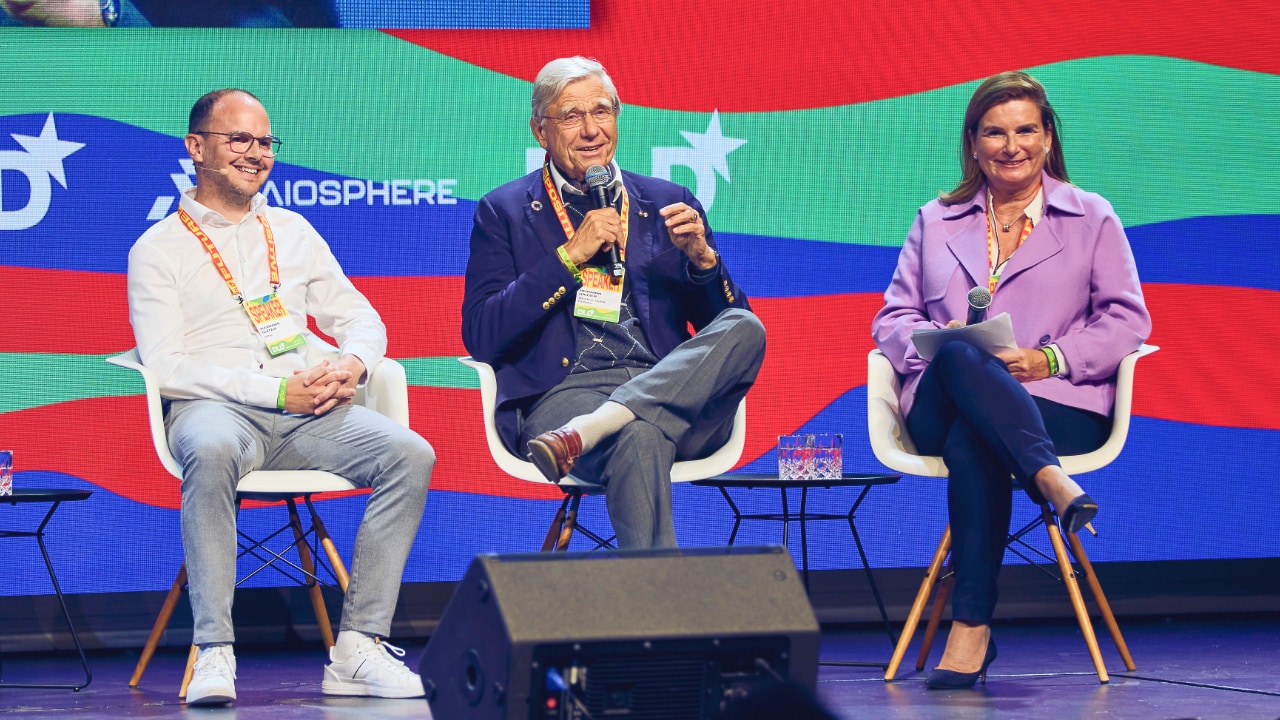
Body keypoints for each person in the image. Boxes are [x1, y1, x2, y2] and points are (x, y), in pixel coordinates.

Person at [127, 89, 433, 705]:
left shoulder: (291, 231)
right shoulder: (157, 249)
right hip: (213, 411)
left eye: (265, 142)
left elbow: (362, 319)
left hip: (306, 412)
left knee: (410, 454)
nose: (256, 154)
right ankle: (215, 648)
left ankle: (359, 648)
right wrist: (275, 390)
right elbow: (167, 366)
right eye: (239, 139)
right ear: (197, 148)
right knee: (211, 449)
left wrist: (351, 362)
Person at [871, 70, 1150, 689]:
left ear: (1048, 138)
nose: (1011, 145)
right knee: (964, 359)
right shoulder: (937, 219)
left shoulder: (1091, 217)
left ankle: (970, 629)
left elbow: (1127, 320)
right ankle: (1050, 479)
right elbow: (893, 316)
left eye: (1026, 129)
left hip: (1055, 399)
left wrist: (1048, 360)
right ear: (973, 144)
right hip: (941, 399)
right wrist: (937, 352)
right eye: (994, 133)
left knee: (980, 441)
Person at [461, 56, 765, 549]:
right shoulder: (506, 212)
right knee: (640, 436)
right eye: (571, 116)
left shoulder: (666, 200)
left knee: (746, 327)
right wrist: (569, 256)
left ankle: (600, 425)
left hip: (672, 390)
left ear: (617, 118)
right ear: (541, 131)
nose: (590, 131)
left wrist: (703, 262)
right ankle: (657, 622)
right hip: (566, 395)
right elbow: (482, 333)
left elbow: (718, 328)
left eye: (601, 112)